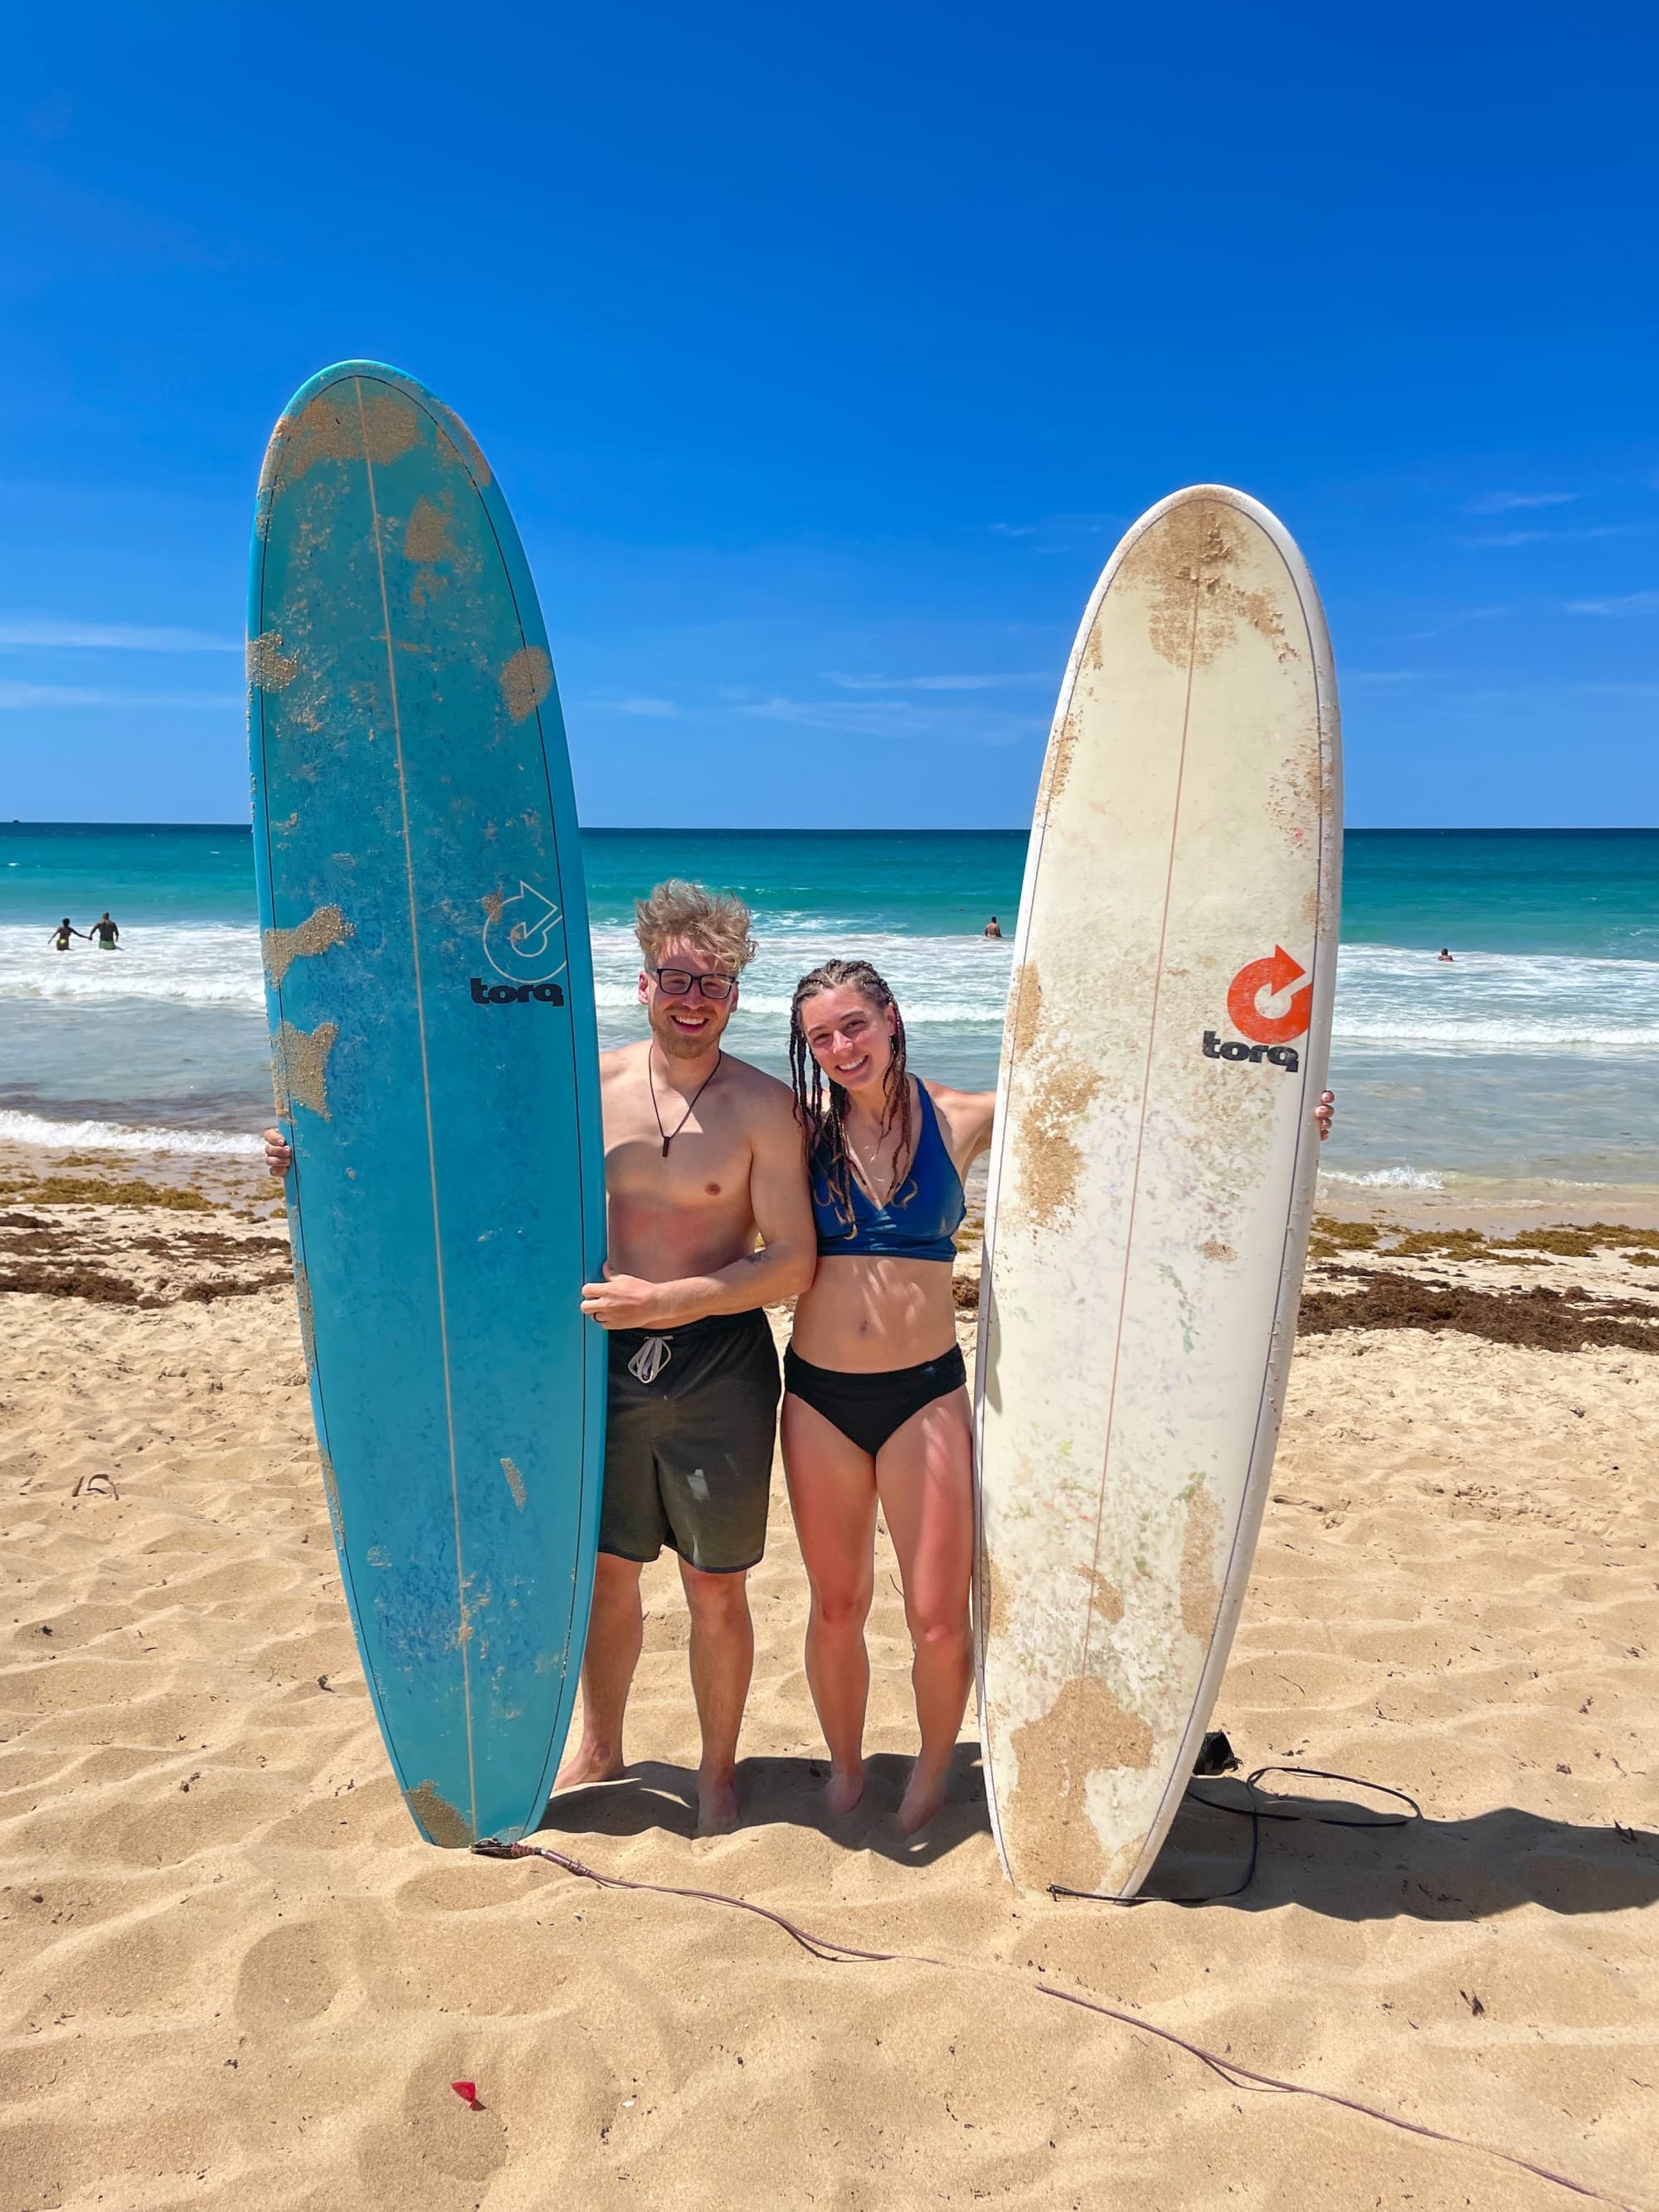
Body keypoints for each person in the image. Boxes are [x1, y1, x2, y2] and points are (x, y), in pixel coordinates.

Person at [263, 880, 815, 1837]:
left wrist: (672, 1298)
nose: (695, 996)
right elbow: (453, 1154)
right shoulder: (581, 1090)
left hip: (719, 1363)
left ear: (734, 993)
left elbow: (792, 1261)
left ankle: (717, 1770)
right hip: (590, 1361)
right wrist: (313, 1144)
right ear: (642, 979)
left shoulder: (765, 1106)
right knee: (605, 1570)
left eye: (715, 981)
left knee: (714, 1584)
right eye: (677, 976)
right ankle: (600, 1742)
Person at [780, 957, 1338, 1838]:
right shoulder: (799, 1128)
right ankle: (846, 1764)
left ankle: (930, 1769)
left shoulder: (955, 1116)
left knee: (933, 1615)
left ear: (889, 1017)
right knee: (837, 1603)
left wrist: (1271, 1114)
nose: (840, 1047)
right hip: (815, 1399)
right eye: (820, 1035)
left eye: (852, 1024)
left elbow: (1117, 1112)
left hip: (922, 1395)